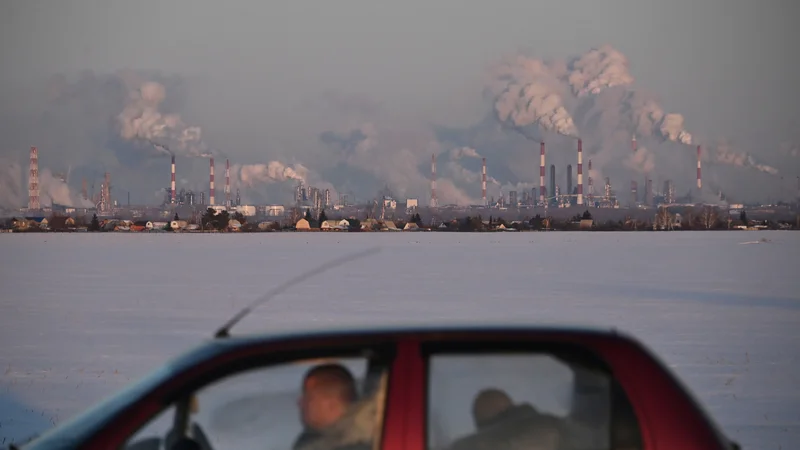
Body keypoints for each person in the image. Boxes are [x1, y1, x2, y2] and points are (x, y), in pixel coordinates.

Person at [293, 363, 371, 450]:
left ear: (331, 403)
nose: (300, 402)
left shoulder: (362, 441)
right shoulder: (310, 439)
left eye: (308, 397)